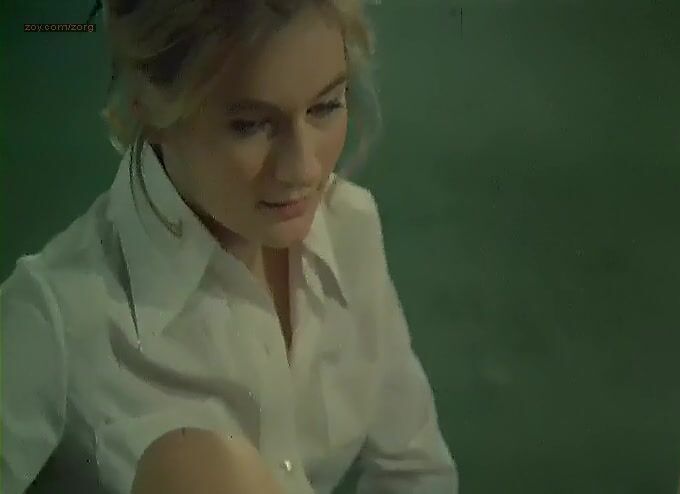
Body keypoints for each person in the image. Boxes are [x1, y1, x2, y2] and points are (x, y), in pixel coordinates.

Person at [0, 0, 458, 493]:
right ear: (148, 110)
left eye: (326, 106)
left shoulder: (350, 226)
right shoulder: (55, 314)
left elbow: (414, 473)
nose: (303, 169)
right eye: (250, 125)